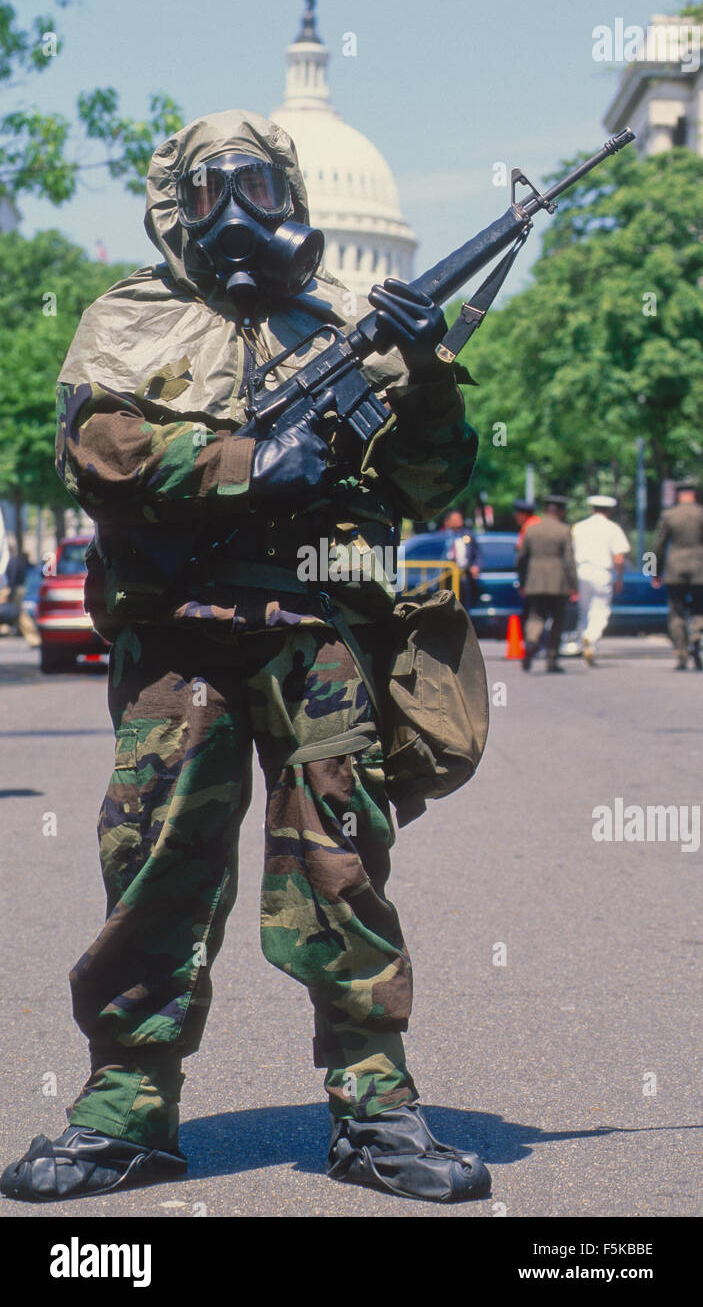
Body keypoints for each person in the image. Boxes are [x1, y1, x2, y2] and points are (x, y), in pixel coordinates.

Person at [1, 110, 490, 1206]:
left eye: (262, 190)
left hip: (320, 639)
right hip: (183, 639)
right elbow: (99, 448)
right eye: (213, 192)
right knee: (157, 862)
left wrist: (425, 370)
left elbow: (428, 484)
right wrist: (244, 459)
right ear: (175, 205)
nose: (237, 217)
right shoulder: (130, 319)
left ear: (294, 199)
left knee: (342, 865)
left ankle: (374, 1103)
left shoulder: (339, 326)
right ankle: (126, 1106)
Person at [516, 495, 578, 672]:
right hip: (558, 581)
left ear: (544, 511)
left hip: (534, 580)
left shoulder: (531, 529)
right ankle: (552, 658)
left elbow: (521, 558)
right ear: (561, 511)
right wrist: (574, 585)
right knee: (557, 619)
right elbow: (569, 559)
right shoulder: (564, 530)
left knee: (536, 615)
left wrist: (522, 581)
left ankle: (531, 642)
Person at [571, 496, 630, 666]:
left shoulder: (579, 527)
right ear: (609, 511)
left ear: (592, 509)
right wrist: (619, 578)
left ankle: (587, 645)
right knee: (601, 610)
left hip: (582, 571)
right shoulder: (613, 528)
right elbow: (618, 558)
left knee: (584, 610)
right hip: (602, 572)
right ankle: (590, 637)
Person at [652, 477, 703, 671]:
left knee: (676, 612)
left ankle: (681, 653)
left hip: (675, 569)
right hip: (700, 569)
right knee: (699, 609)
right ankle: (697, 636)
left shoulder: (668, 515)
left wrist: (653, 572)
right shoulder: (701, 513)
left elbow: (656, 546)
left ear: (678, 495)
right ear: (694, 494)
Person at [441, 509, 481, 605]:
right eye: (454, 519)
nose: (457, 521)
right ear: (447, 521)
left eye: (459, 518)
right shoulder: (442, 536)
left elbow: (478, 554)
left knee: (464, 603)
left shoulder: (468, 535)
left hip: (464, 575)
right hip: (446, 576)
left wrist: (476, 566)